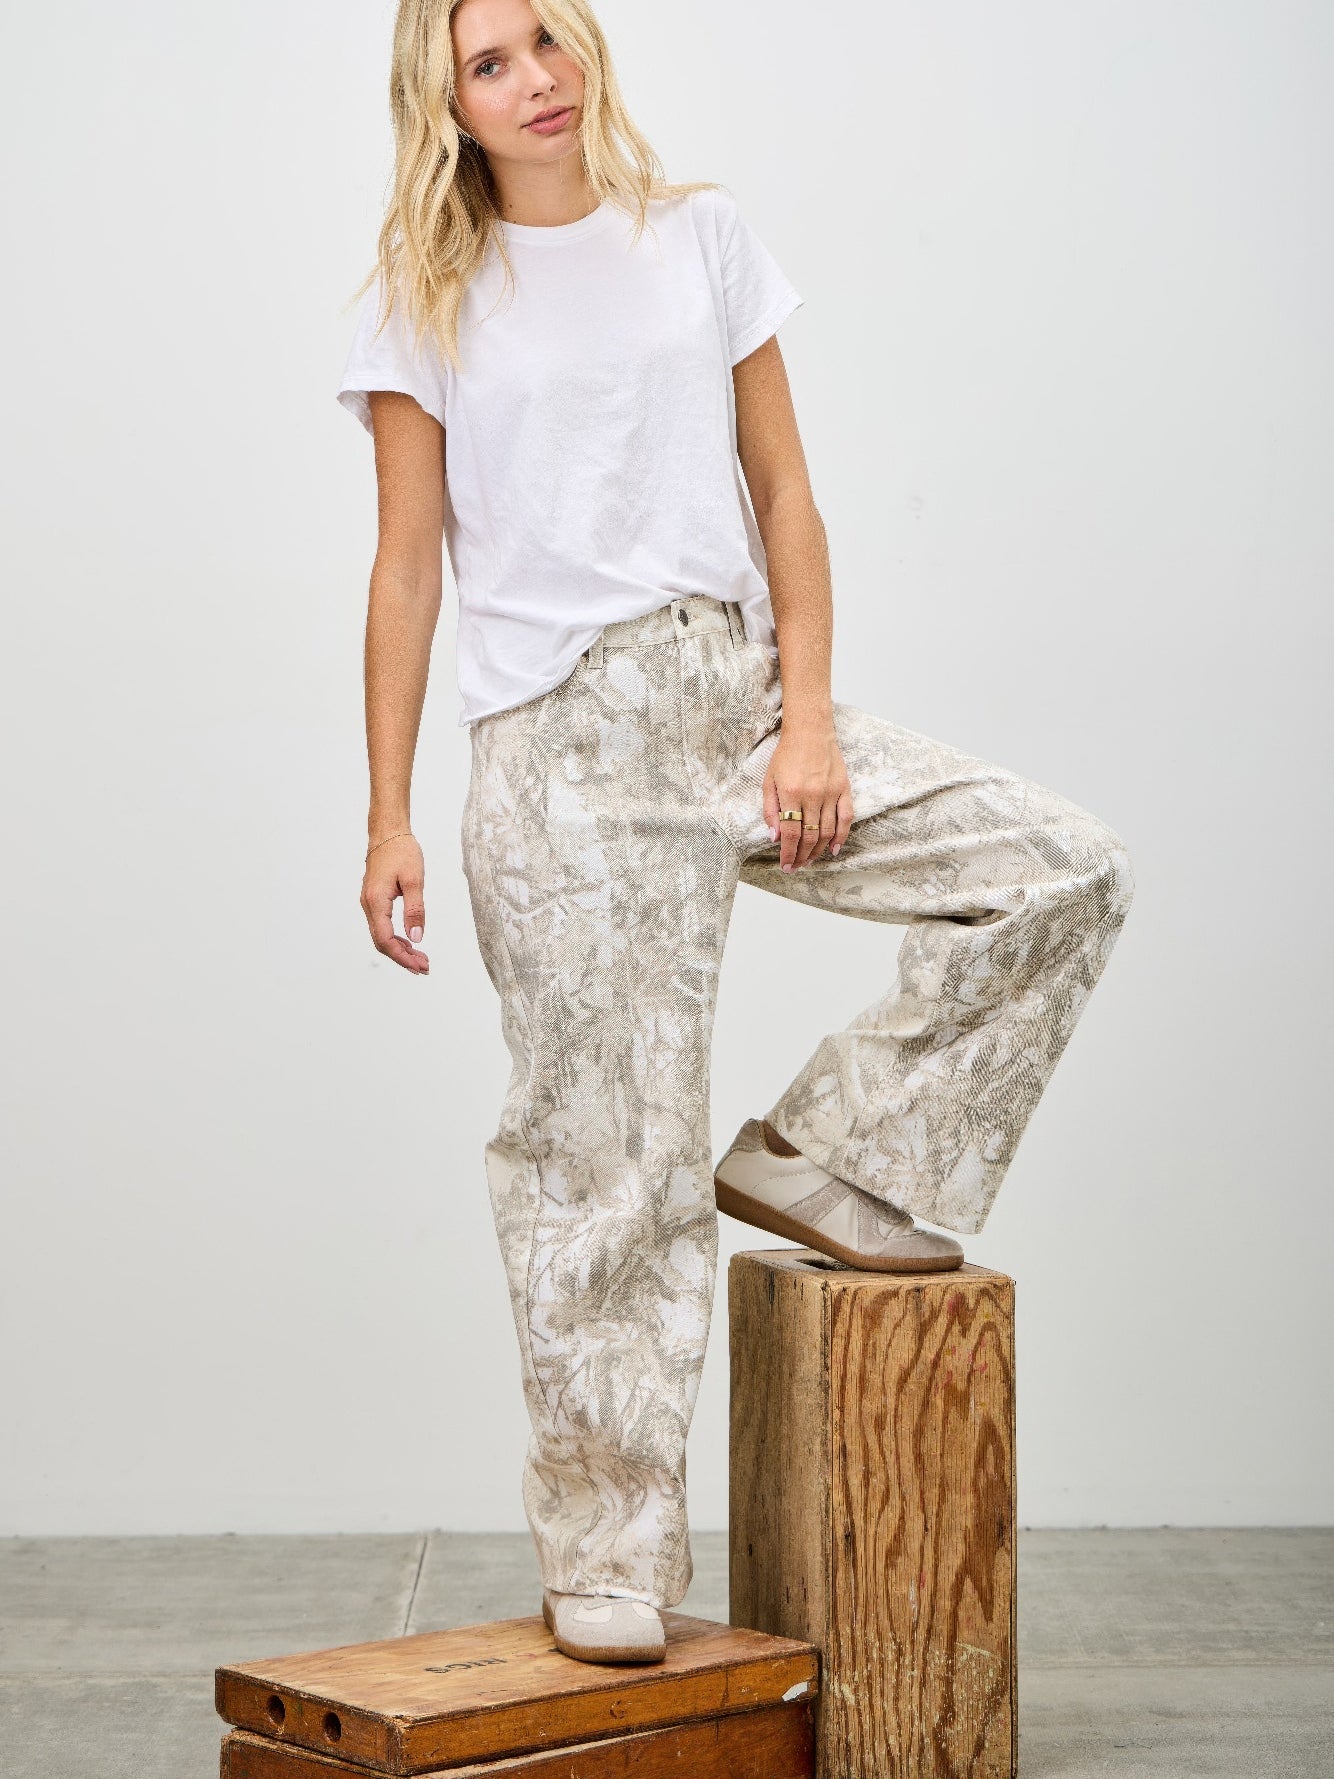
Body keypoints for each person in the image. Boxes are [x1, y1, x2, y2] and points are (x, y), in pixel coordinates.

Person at [336, 0, 1135, 1667]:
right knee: (605, 1166)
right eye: (490, 63)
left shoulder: (697, 240)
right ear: (446, 102)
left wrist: (808, 715)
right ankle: (609, 1550)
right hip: (559, 754)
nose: (536, 78)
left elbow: (784, 494)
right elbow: (405, 568)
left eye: (548, 39)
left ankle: (832, 1155)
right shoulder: (425, 296)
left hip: (734, 698)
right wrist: (388, 812)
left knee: (1055, 869)